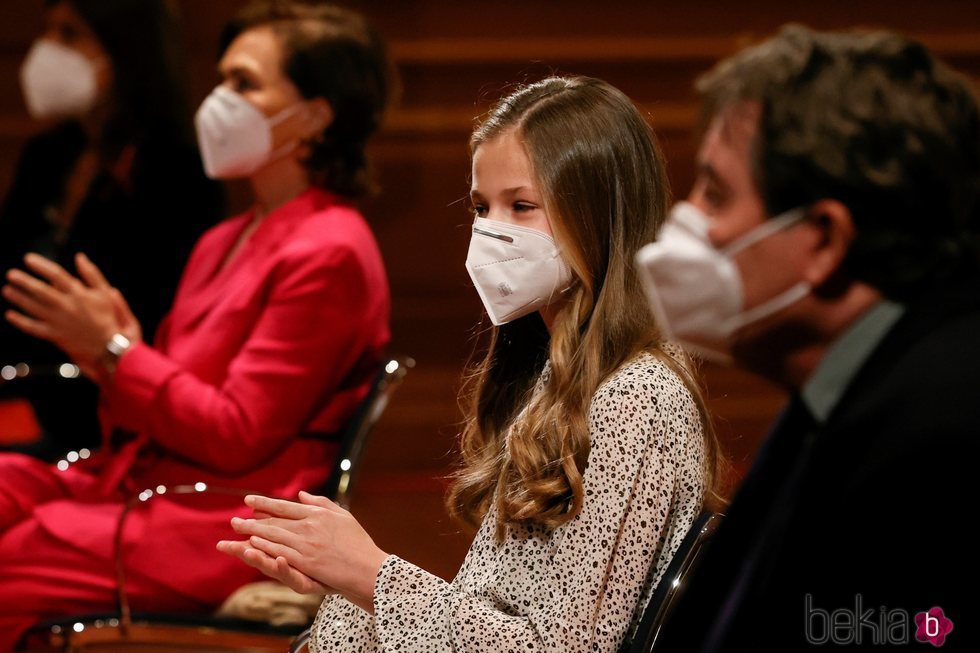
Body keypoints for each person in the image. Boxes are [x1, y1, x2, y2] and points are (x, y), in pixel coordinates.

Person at [219, 76, 725, 653]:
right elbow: (489, 622)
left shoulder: (635, 395)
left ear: (599, 214)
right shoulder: (560, 378)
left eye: (522, 206)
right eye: (482, 207)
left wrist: (372, 576)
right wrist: (346, 587)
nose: (491, 230)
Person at [0, 0, 393, 647]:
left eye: (245, 83)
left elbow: (236, 433)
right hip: (146, 484)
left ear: (316, 116)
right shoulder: (225, 238)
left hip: (224, 519)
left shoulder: (332, 251)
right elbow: (165, 395)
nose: (220, 99)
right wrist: (110, 354)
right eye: (222, 79)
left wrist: (115, 349)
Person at [637, 25, 979, 651]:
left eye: (715, 194)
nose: (685, 221)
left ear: (822, 239)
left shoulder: (943, 447)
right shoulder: (839, 391)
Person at [0, 0, 223, 461]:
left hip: (98, 399)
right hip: (18, 379)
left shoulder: (177, 169)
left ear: (124, 52)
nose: (48, 49)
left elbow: (164, 317)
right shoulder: (49, 152)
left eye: (70, 34)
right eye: (48, 32)